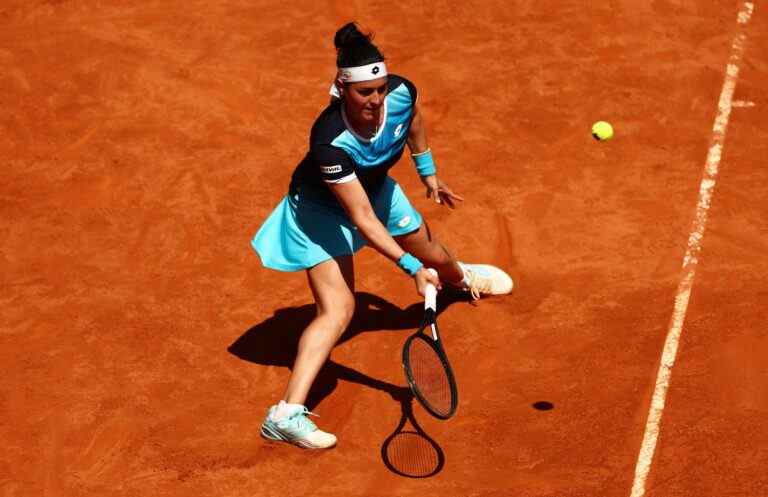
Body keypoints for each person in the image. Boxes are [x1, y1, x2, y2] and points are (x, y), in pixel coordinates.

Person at [251, 22, 513, 449]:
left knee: (435, 252)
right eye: (364, 93)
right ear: (342, 88)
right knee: (338, 309)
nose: (376, 100)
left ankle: (459, 279)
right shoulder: (329, 141)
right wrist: (411, 267)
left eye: (381, 88)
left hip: (374, 188)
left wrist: (428, 174)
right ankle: (285, 416)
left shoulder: (401, 92)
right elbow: (362, 220)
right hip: (319, 211)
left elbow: (412, 122)